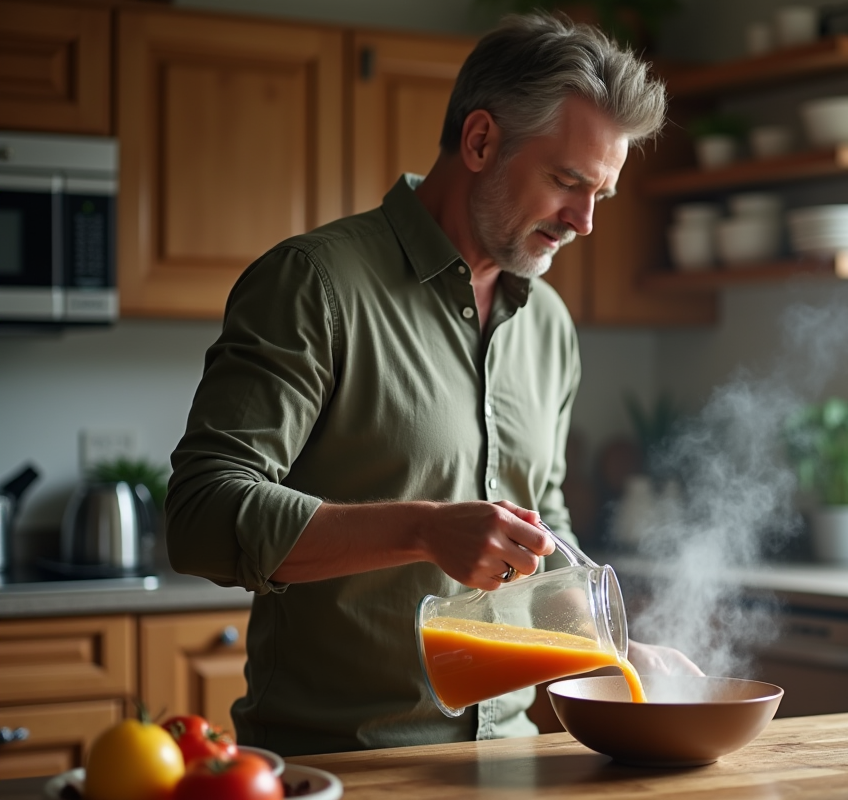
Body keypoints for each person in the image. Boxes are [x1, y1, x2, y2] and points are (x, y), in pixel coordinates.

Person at [165, 12, 700, 757]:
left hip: (508, 758)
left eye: (599, 196)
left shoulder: (547, 324)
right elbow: (199, 514)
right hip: (345, 765)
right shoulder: (314, 284)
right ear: (480, 141)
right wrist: (422, 529)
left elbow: (543, 522)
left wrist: (612, 648)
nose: (583, 222)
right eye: (566, 182)